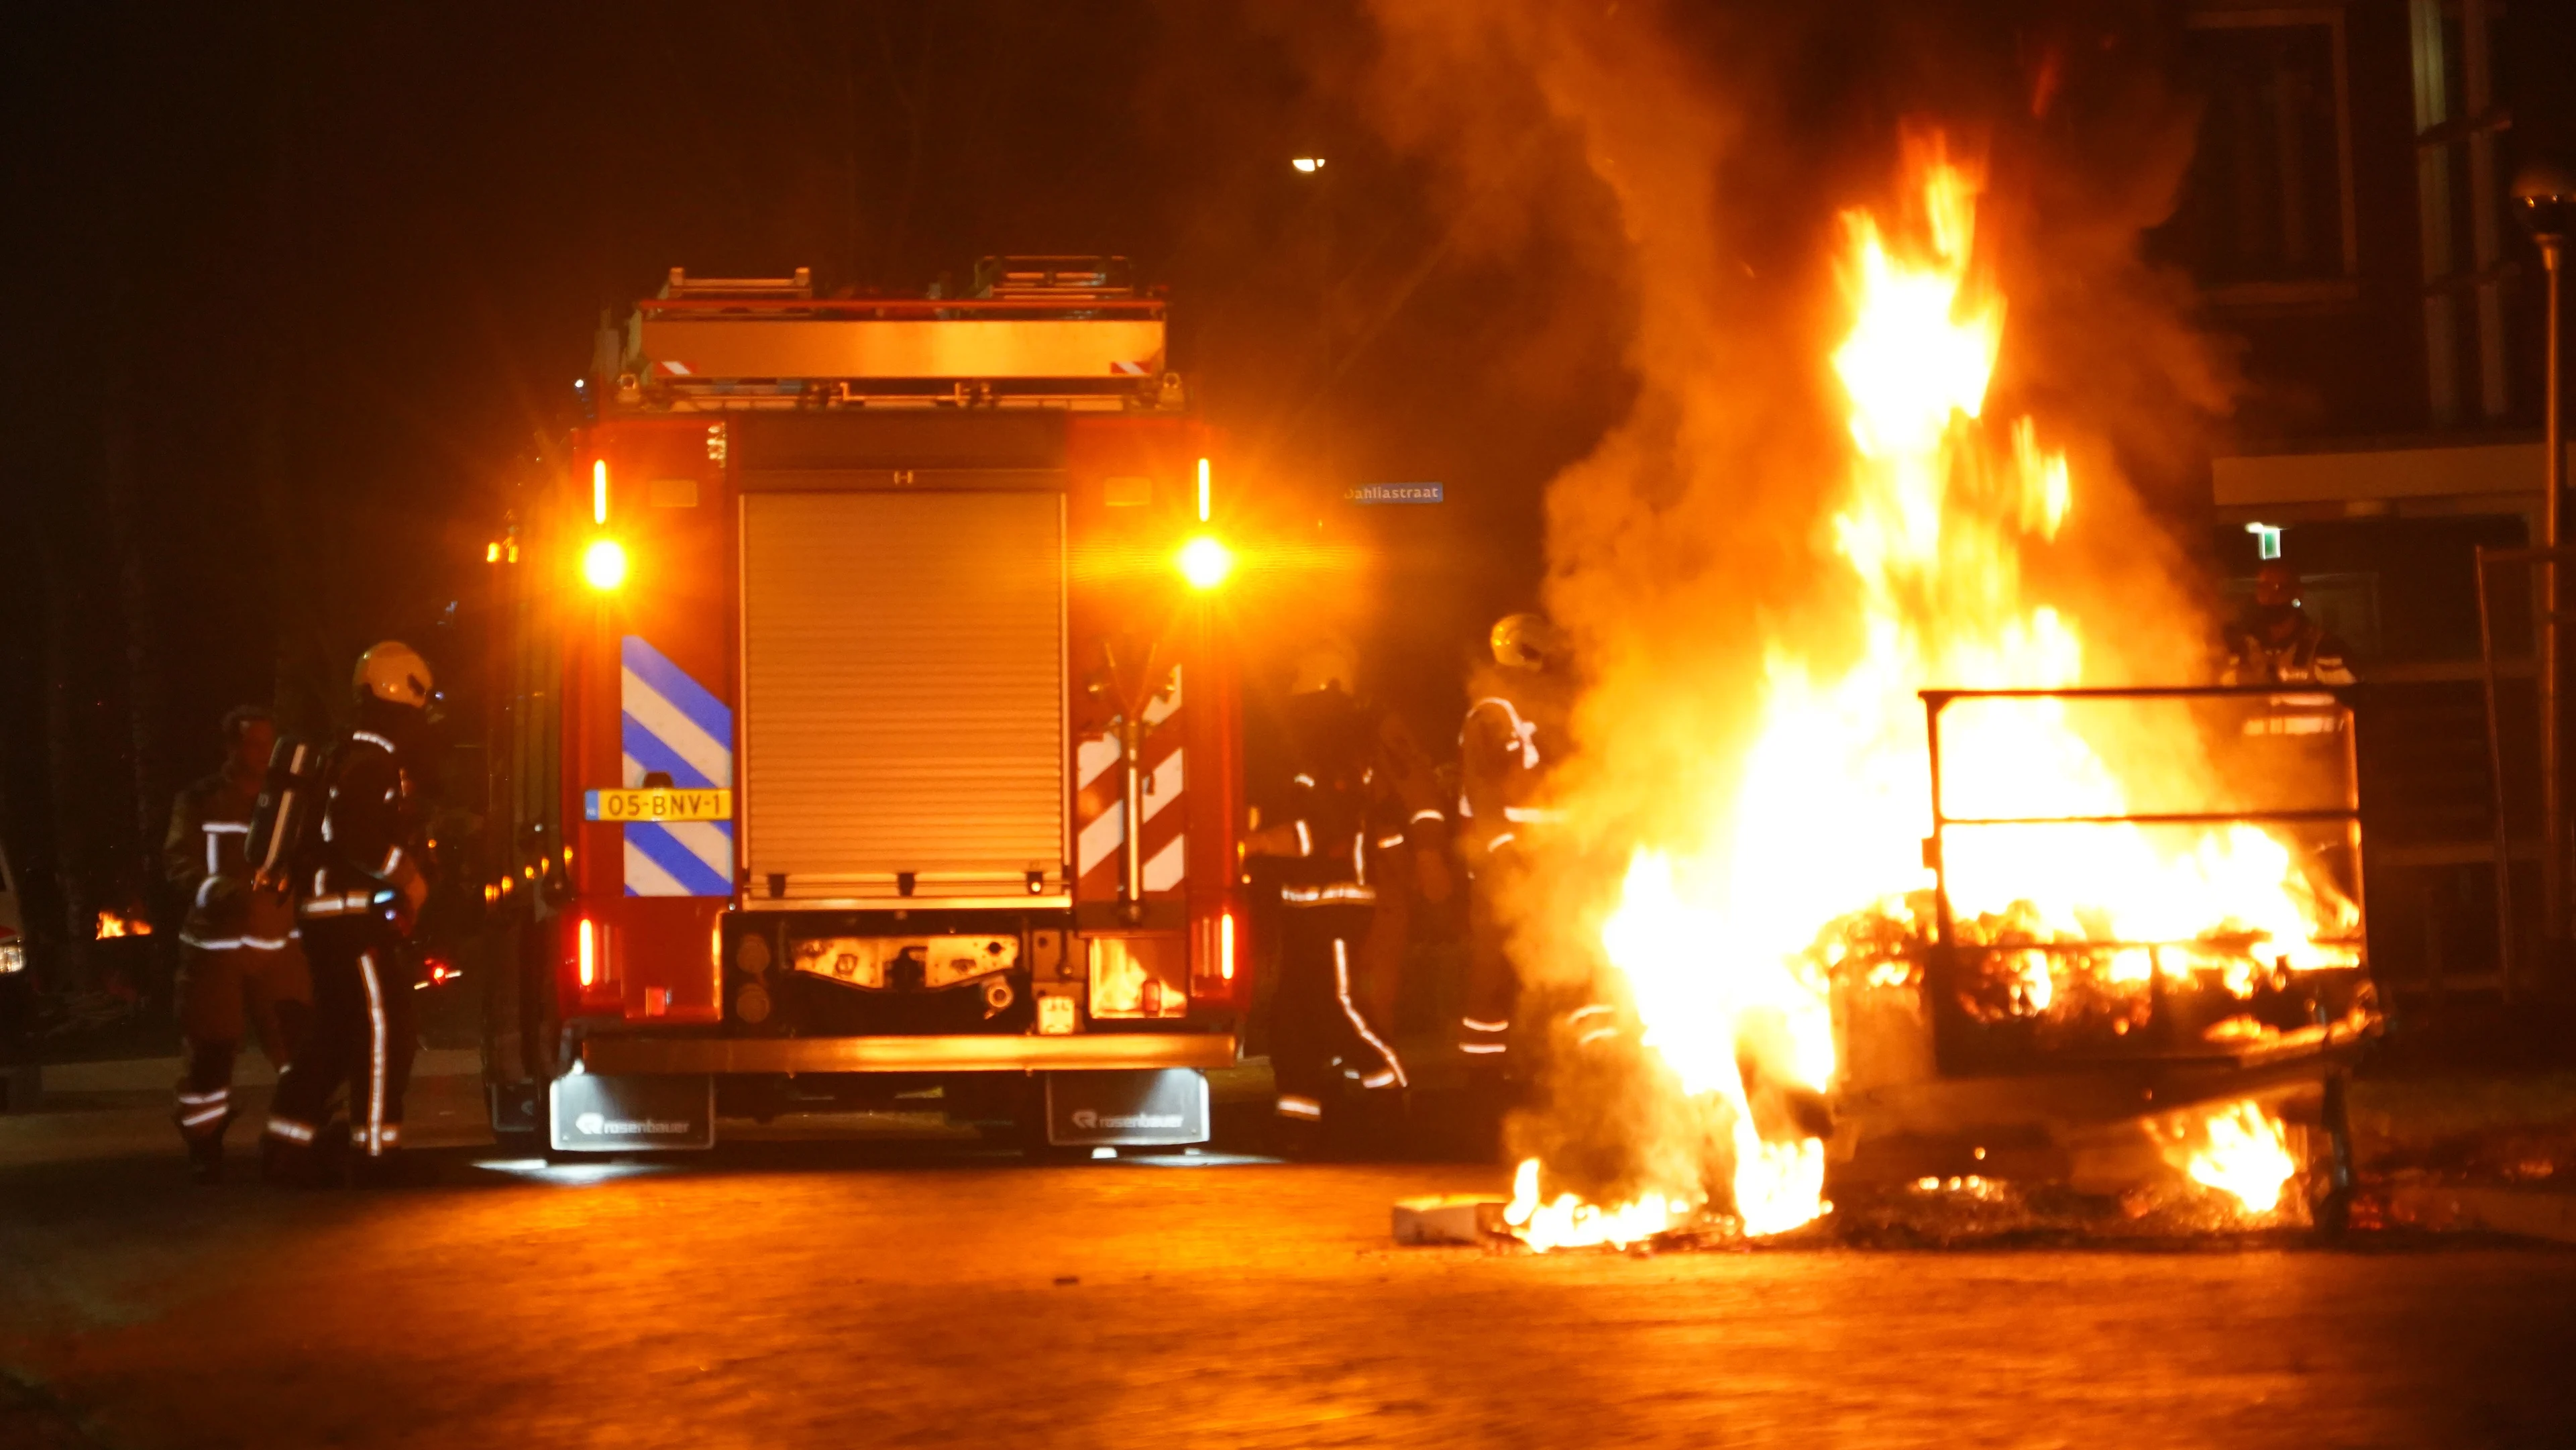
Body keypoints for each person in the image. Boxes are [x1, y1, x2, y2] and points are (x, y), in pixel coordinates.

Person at [264, 642, 436, 1186]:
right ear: (399, 695)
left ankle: (287, 1148)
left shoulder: (344, 753)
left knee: (335, 1035)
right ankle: (377, 1154)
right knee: (386, 1030)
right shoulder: (372, 761)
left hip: (326, 919)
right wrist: (407, 876)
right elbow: (352, 833)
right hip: (353, 921)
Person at [1245, 640, 1412, 1147]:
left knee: (1337, 1008)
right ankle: (1298, 1121)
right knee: (1293, 1016)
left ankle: (1391, 1093)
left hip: (1334, 905)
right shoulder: (1319, 751)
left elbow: (1322, 832)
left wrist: (1251, 844)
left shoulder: (1333, 754)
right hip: (1305, 904)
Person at [164, 706, 312, 1183]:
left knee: (299, 1047)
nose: (260, 753)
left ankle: (300, 1140)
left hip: (277, 948)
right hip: (216, 948)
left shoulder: (288, 803)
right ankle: (204, 1143)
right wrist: (219, 892)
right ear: (231, 747)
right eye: (251, 744)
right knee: (211, 1050)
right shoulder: (200, 801)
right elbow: (178, 862)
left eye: (267, 744)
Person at [1456, 613, 1571, 1067]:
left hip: (1554, 858)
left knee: (1560, 964)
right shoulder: (1495, 708)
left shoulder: (1554, 703)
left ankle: (1556, 1070)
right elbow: (1483, 788)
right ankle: (1483, 1079)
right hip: (1510, 859)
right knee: (1493, 970)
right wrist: (1502, 853)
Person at [2223, 562, 2355, 685]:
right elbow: (2220, 699)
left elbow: (2345, 704)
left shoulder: (2324, 648)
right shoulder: (2241, 648)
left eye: (2279, 588)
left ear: (2297, 593)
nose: (2270, 596)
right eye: (2264, 588)